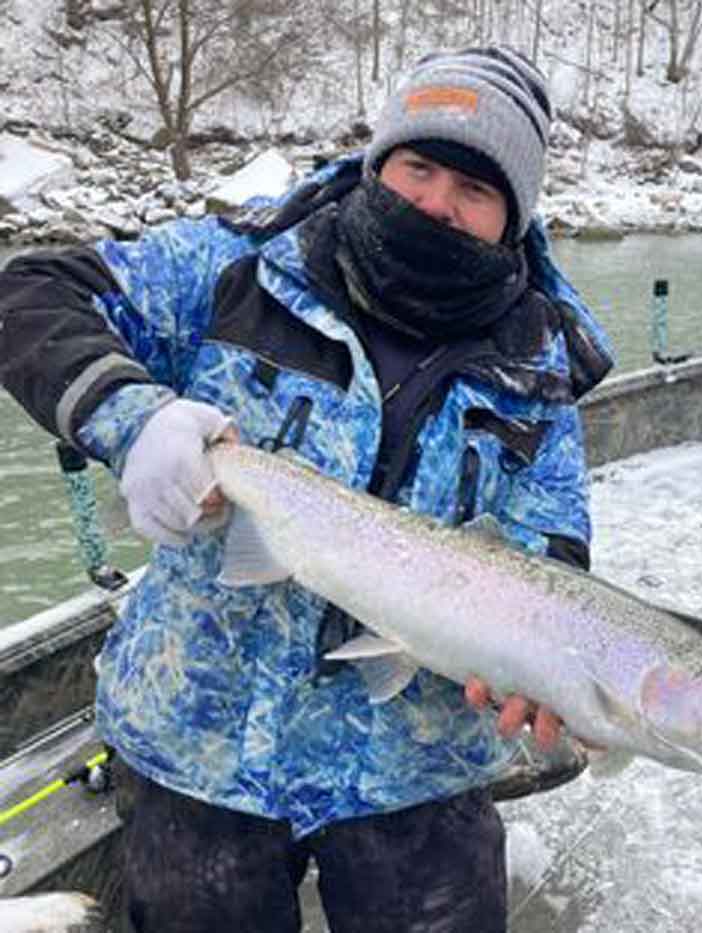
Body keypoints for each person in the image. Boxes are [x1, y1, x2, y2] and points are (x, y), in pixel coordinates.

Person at [0, 46, 613, 933]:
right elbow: (28, 292)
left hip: (420, 769)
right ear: (380, 160)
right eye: (421, 165)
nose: (437, 203)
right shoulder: (237, 267)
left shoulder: (540, 367)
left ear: (513, 217)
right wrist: (132, 418)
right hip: (197, 746)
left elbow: (554, 537)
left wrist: (537, 663)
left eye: (475, 191)